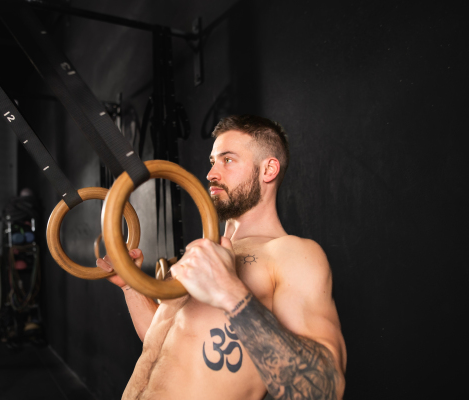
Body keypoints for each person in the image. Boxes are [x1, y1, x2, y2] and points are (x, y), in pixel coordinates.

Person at [97, 115, 347, 400]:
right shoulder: (206, 251)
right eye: (212, 161)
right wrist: (130, 286)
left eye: (227, 160)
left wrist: (231, 294)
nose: (211, 174)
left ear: (268, 169)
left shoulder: (292, 254)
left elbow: (324, 391)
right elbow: (164, 342)